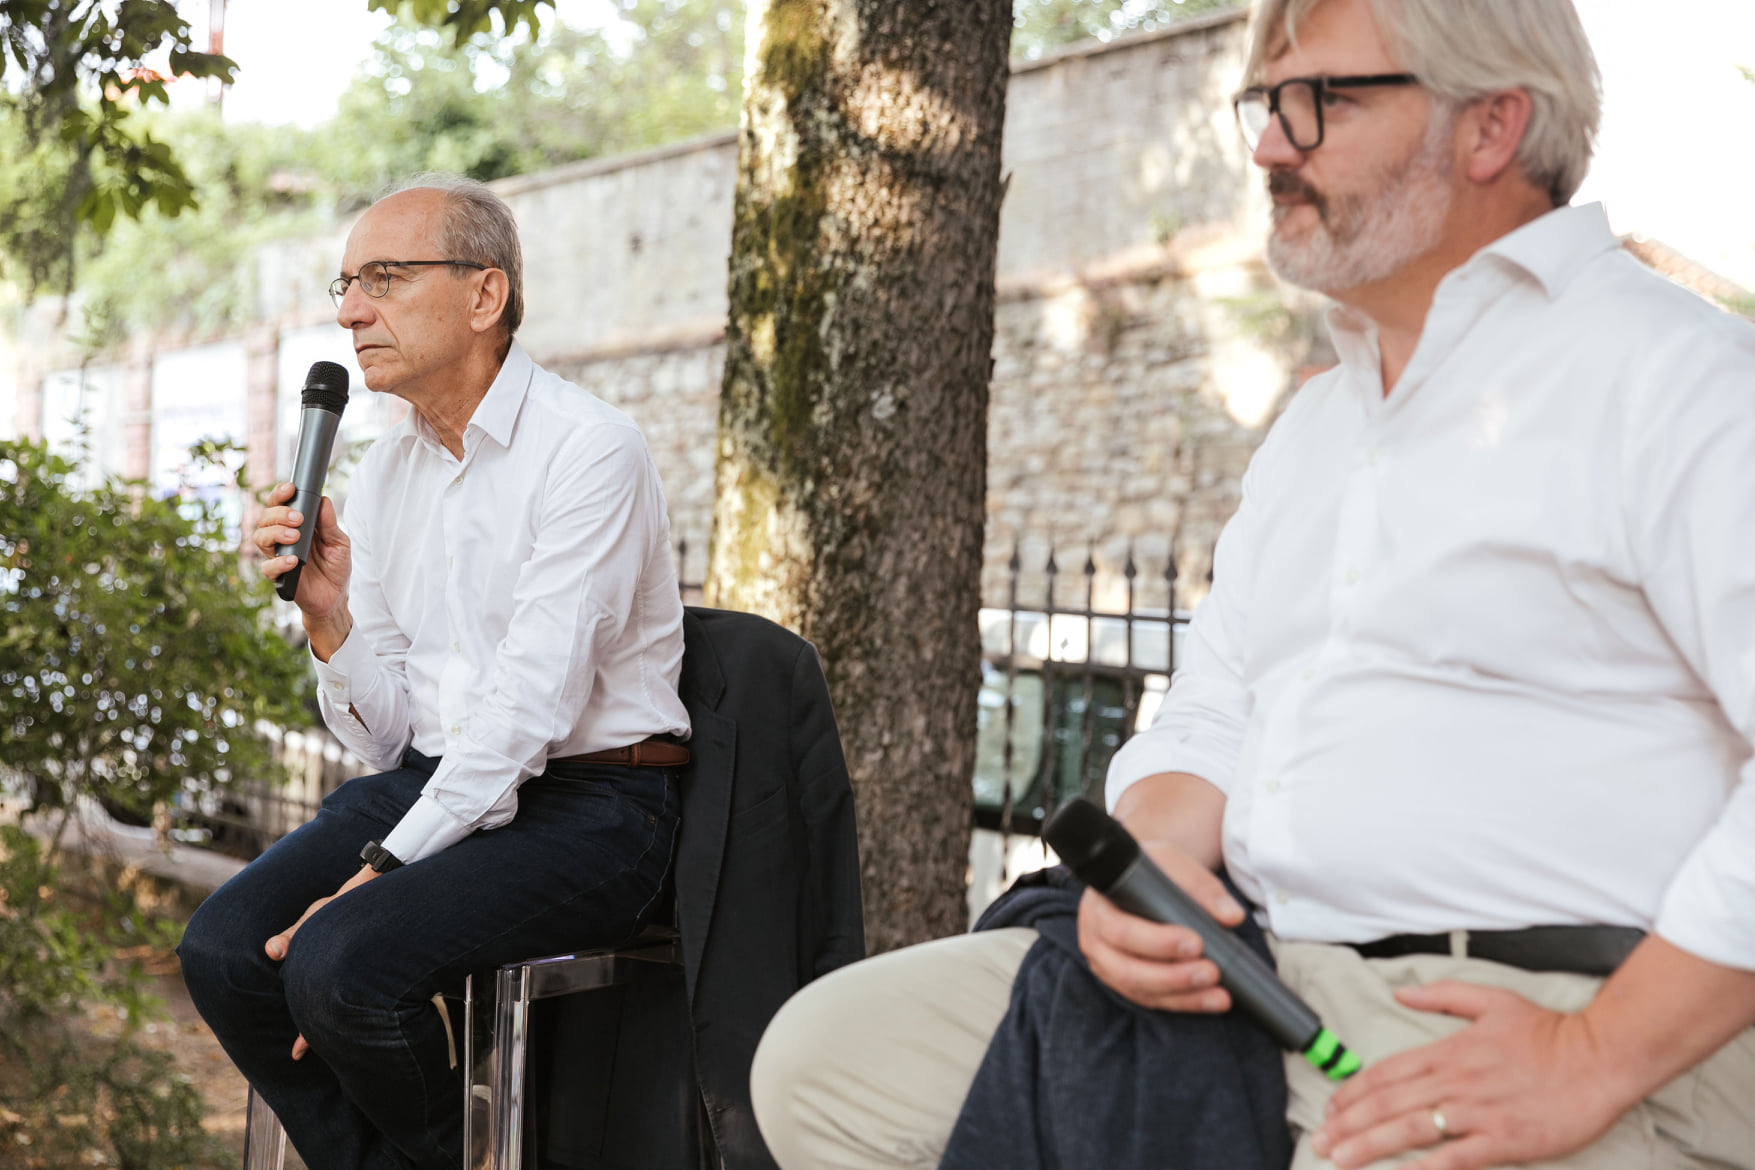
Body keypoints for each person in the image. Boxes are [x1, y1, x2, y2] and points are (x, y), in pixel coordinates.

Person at [748, 0, 1755, 1167]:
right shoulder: (1319, 427)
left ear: (1492, 127)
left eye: (1321, 102)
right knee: (825, 1062)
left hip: (1548, 1011)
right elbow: (1217, 713)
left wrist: (1596, 1058)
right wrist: (1156, 867)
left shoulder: (1682, 384)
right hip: (1270, 983)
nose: (1273, 147)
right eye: (1265, 107)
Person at [178, 174, 692, 1170]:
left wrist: (381, 870)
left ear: (484, 295)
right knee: (227, 952)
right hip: (440, 777)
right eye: (343, 285)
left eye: (384, 277)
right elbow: (384, 739)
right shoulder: (385, 472)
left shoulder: (590, 452)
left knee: (339, 962)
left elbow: (528, 710)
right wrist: (329, 618)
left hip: (596, 805)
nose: (351, 310)